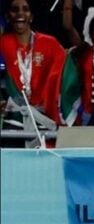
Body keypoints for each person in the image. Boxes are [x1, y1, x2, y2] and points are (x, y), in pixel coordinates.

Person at [0, 0, 68, 128]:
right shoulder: (3, 44)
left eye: (25, 9)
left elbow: (65, 75)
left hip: (44, 121)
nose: (20, 13)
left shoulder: (50, 44)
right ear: (7, 17)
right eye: (15, 10)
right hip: (13, 122)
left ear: (31, 16)